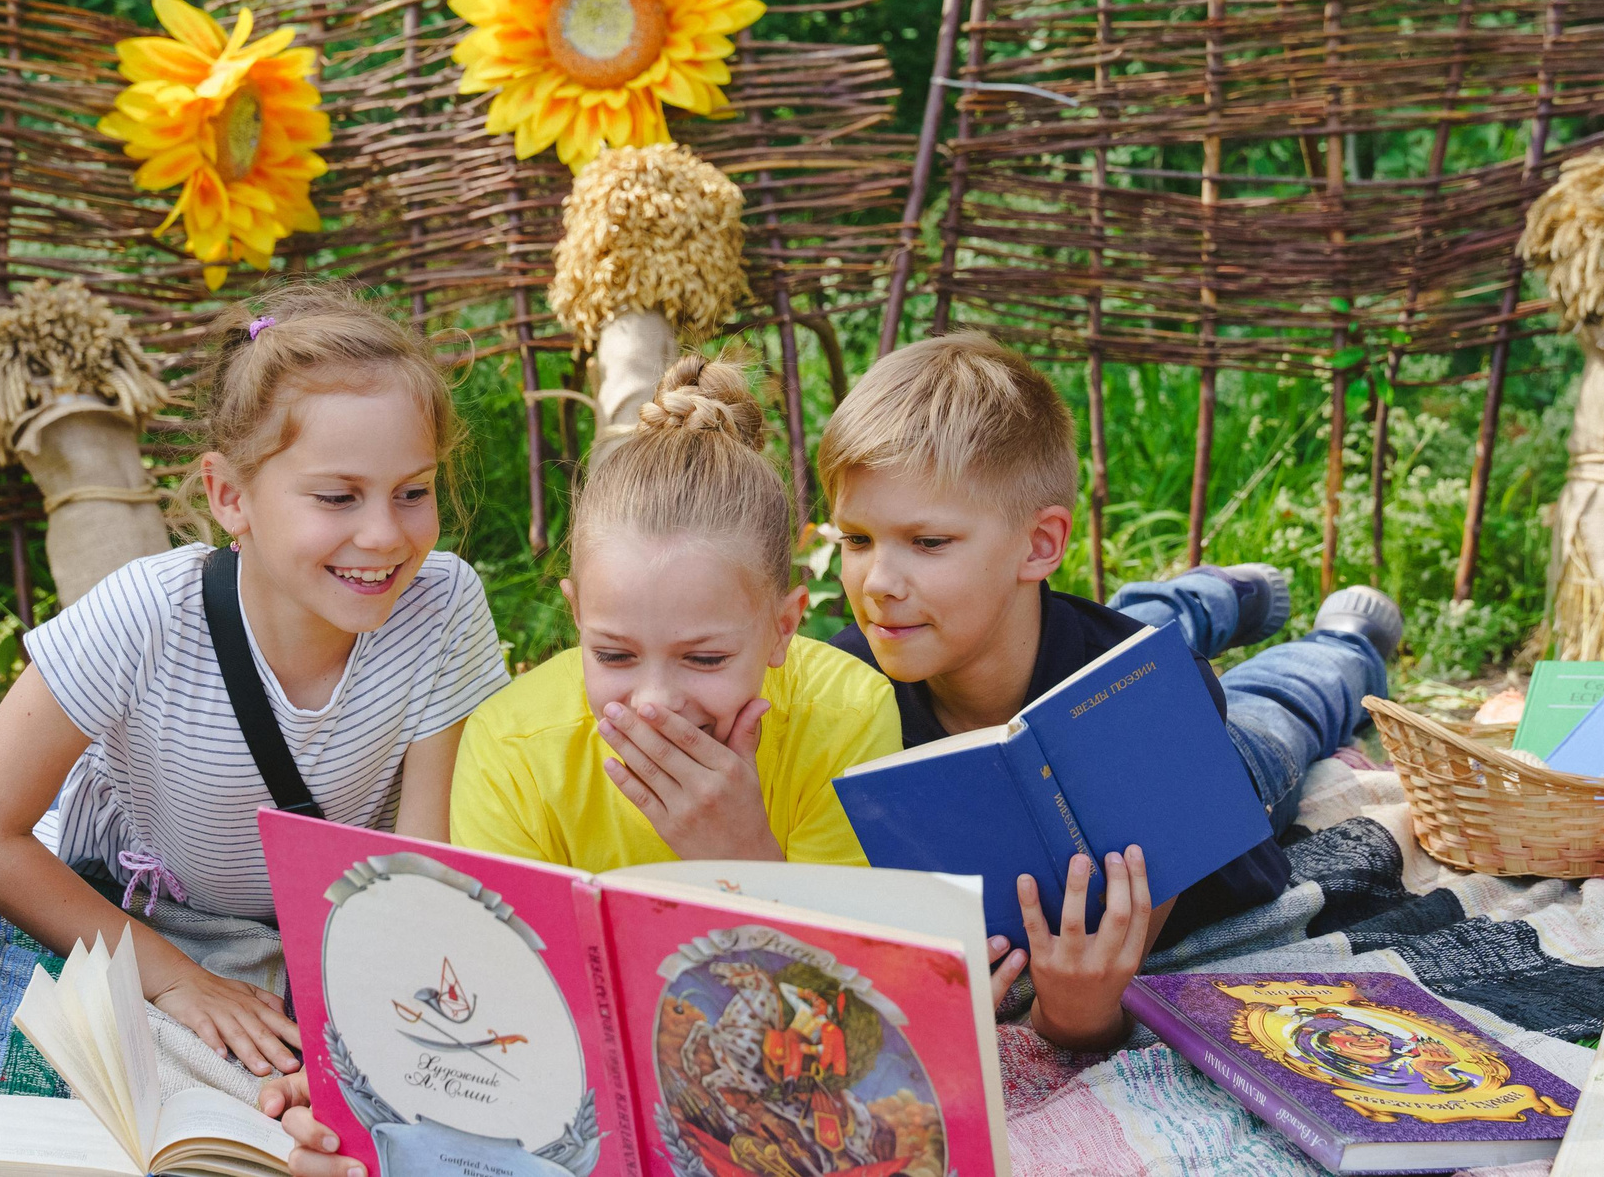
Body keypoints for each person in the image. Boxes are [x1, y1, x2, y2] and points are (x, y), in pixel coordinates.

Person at [0, 285, 510, 1077]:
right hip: (145, 911)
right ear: (229, 495)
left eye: (413, 491)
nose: (385, 534)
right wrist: (177, 981)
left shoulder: (444, 604)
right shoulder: (146, 614)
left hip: (333, 918)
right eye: (338, 496)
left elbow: (421, 859)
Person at [820, 330, 1399, 1054]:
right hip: (1037, 628)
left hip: (1205, 760)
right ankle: (1205, 595)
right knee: (1097, 621)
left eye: (928, 542)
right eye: (856, 539)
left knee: (1274, 711)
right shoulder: (841, 686)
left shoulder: (1153, 703)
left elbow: (1090, 1011)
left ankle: (1340, 646)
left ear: (1038, 544)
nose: (877, 582)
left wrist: (1071, 1009)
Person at [449, 352, 900, 871]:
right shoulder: (511, 747)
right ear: (578, 617)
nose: (653, 705)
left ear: (783, 628)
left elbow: (852, 950)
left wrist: (742, 852)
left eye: (705, 659)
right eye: (614, 655)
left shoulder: (847, 717)